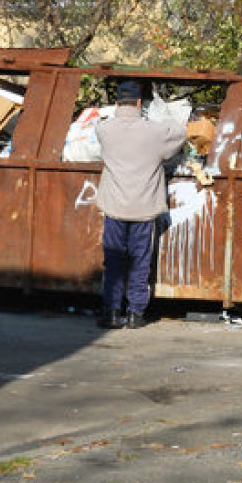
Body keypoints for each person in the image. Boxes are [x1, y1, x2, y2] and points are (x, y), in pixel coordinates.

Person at [94, 80, 188, 329]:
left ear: (116, 103)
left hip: (115, 208)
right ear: (139, 103)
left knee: (114, 261)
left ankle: (112, 313)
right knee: (140, 261)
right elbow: (180, 132)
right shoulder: (154, 133)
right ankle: (136, 314)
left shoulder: (104, 130)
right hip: (144, 209)